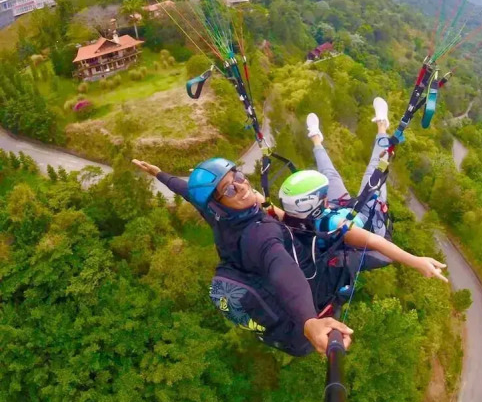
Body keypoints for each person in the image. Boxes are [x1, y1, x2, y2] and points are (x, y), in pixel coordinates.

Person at [131, 157, 352, 356]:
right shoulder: (261, 232)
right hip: (304, 298)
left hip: (260, 282)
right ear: (217, 204)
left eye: (237, 177)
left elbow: (187, 192)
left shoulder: (218, 216)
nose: (241, 186)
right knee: (350, 259)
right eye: (228, 190)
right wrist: (309, 321)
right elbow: (282, 269)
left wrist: (159, 173)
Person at [273, 97, 448, 296]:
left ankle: (316, 137)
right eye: (323, 195)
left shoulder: (292, 220)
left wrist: (256, 198)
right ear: (315, 204)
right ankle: (382, 125)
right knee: (375, 171)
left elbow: (274, 210)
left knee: (330, 174)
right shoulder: (337, 225)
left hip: (338, 212)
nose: (326, 196)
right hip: (366, 221)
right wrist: (417, 262)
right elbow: (376, 242)